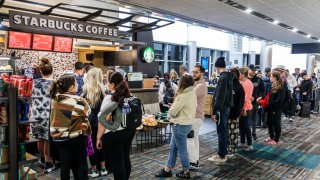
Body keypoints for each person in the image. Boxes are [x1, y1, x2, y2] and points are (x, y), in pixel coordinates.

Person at [50, 74, 91, 180]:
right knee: (81, 164)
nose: (78, 84)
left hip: (59, 137)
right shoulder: (79, 100)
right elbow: (87, 112)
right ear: (71, 87)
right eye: (76, 83)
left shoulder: (55, 99)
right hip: (75, 136)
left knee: (65, 166)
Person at [155, 75, 196, 179]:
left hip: (180, 125)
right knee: (173, 147)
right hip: (186, 124)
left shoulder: (183, 96)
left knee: (182, 150)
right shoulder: (192, 93)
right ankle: (167, 169)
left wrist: (171, 108)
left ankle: (186, 171)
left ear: (182, 83)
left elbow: (173, 111)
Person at [96, 72, 136, 180]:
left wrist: (98, 137)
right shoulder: (129, 95)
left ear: (112, 84)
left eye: (107, 82)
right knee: (125, 159)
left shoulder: (110, 98)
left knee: (117, 164)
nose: (107, 84)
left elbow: (104, 119)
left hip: (114, 135)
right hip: (128, 131)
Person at [81, 68, 108, 178]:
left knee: (91, 146)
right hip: (101, 122)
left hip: (89, 123)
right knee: (100, 144)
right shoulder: (103, 91)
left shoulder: (85, 92)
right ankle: (103, 168)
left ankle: (94, 170)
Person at [31, 58, 55, 173]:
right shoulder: (54, 83)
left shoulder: (34, 82)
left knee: (39, 138)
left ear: (41, 71)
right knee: (47, 139)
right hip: (48, 114)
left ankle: (41, 159)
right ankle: (48, 163)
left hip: (35, 114)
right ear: (52, 71)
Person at [208, 57, 233, 163]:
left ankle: (222, 155)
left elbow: (220, 96)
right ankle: (223, 153)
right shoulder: (228, 77)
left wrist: (214, 111)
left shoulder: (223, 78)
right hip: (225, 108)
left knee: (221, 131)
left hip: (221, 109)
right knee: (224, 130)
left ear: (217, 67)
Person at [258, 71, 286, 145]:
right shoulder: (273, 85)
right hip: (270, 108)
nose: (270, 78)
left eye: (271, 77)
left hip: (276, 109)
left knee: (276, 123)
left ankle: (276, 140)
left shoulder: (281, 86)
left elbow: (279, 100)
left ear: (275, 77)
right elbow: (269, 96)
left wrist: (269, 103)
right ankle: (271, 137)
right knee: (269, 122)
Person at [188, 65, 207, 169]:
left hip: (195, 117)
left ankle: (192, 162)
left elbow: (188, 98)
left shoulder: (200, 86)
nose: (193, 74)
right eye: (193, 72)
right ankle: (195, 161)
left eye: (196, 72)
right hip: (196, 116)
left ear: (202, 73)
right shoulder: (197, 84)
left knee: (190, 139)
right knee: (194, 139)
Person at [228, 68, 245, 156]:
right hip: (226, 113)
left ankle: (233, 150)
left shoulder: (239, 87)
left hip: (234, 114)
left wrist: (237, 114)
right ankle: (227, 149)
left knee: (233, 133)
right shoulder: (228, 85)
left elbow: (241, 102)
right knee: (227, 133)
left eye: (233, 74)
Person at [238, 67, 254, 151]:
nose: (238, 75)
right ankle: (242, 141)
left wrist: (243, 109)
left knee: (246, 126)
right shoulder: (242, 82)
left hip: (246, 108)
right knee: (241, 125)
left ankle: (250, 144)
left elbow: (246, 97)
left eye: (239, 74)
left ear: (243, 74)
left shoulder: (248, 83)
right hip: (242, 107)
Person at [247, 64, 265, 140]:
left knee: (253, 118)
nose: (254, 72)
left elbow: (263, 91)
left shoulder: (258, 80)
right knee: (245, 119)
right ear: (248, 70)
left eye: (255, 70)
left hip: (254, 103)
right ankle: (244, 133)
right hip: (245, 102)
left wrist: (259, 97)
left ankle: (253, 133)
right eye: (252, 70)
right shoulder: (244, 79)